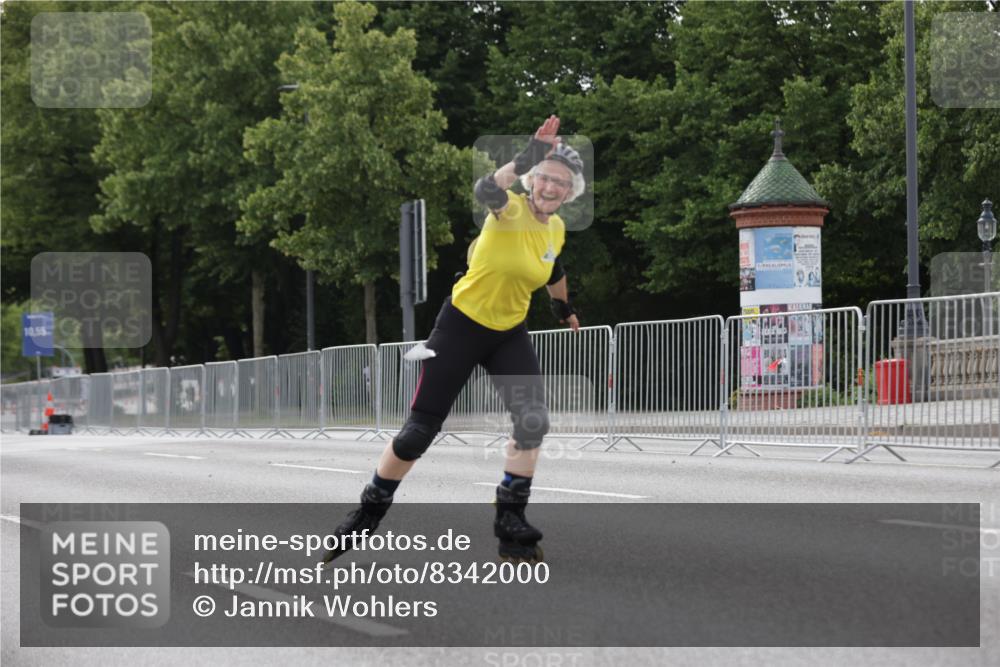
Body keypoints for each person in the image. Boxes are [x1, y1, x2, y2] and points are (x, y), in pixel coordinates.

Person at [323, 115, 583, 564]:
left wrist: (564, 307)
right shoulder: (508, 208)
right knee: (417, 434)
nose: (551, 187)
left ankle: (510, 520)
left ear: (570, 191)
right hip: (461, 326)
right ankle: (367, 512)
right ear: (533, 179)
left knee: (533, 421)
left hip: (508, 333)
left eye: (561, 182)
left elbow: (553, 268)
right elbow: (485, 189)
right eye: (545, 177)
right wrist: (529, 155)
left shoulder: (555, 229)